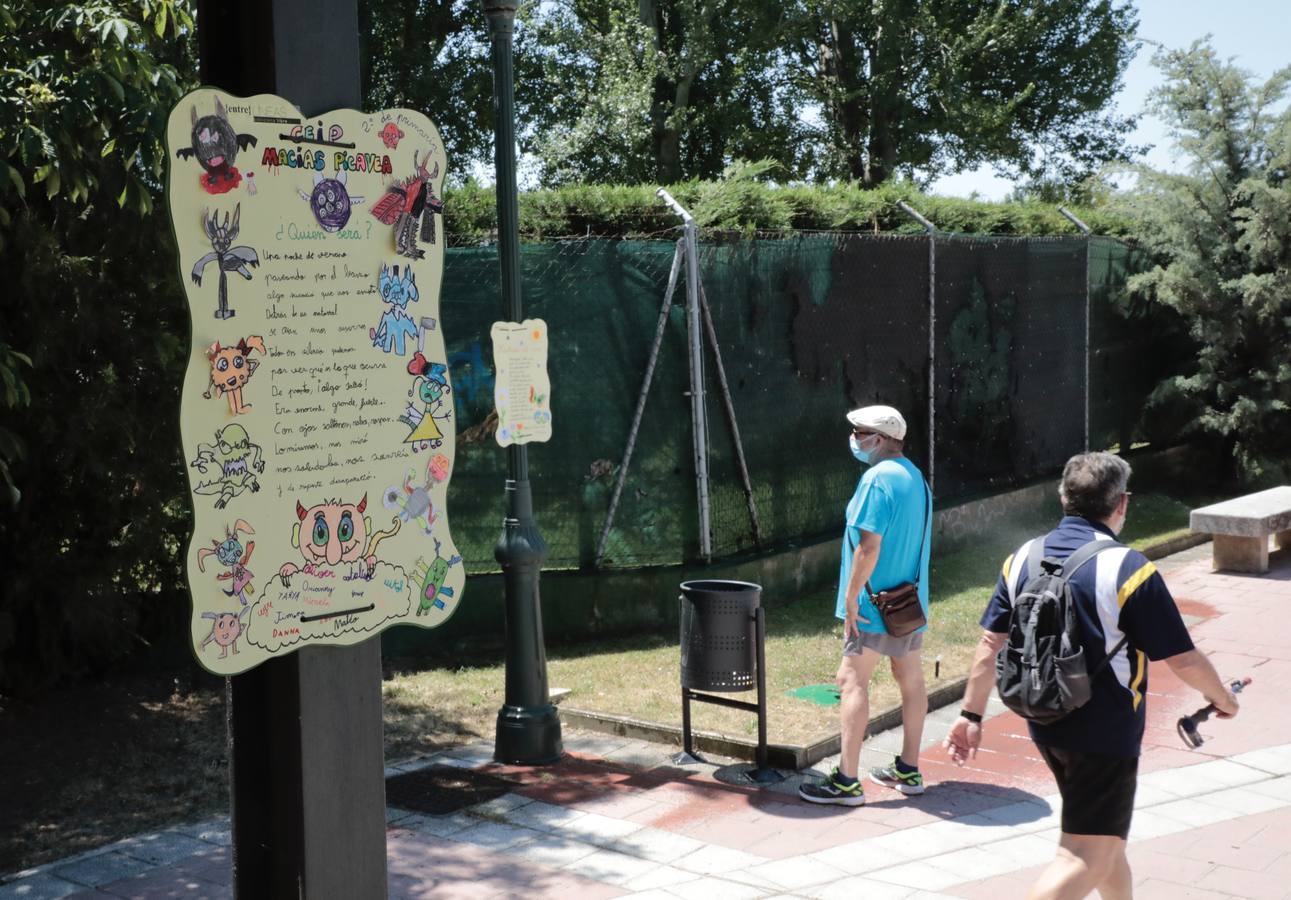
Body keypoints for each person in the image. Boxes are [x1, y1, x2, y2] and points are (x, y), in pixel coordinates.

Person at [943, 451, 1241, 899]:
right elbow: (1182, 659)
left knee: (1105, 841)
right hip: (1105, 733)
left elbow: (990, 643)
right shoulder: (1128, 569)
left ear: (1063, 497)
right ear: (1122, 503)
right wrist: (1224, 699)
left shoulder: (1022, 556)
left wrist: (970, 714)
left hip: (1044, 720)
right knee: (1084, 854)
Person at [799, 405, 932, 806]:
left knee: (850, 681)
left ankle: (846, 782)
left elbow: (869, 548)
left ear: (880, 438)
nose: (855, 439)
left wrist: (850, 596)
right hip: (909, 605)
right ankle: (909, 770)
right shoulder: (915, 477)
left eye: (860, 433)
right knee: (910, 680)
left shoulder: (876, 480)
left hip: (875, 608)